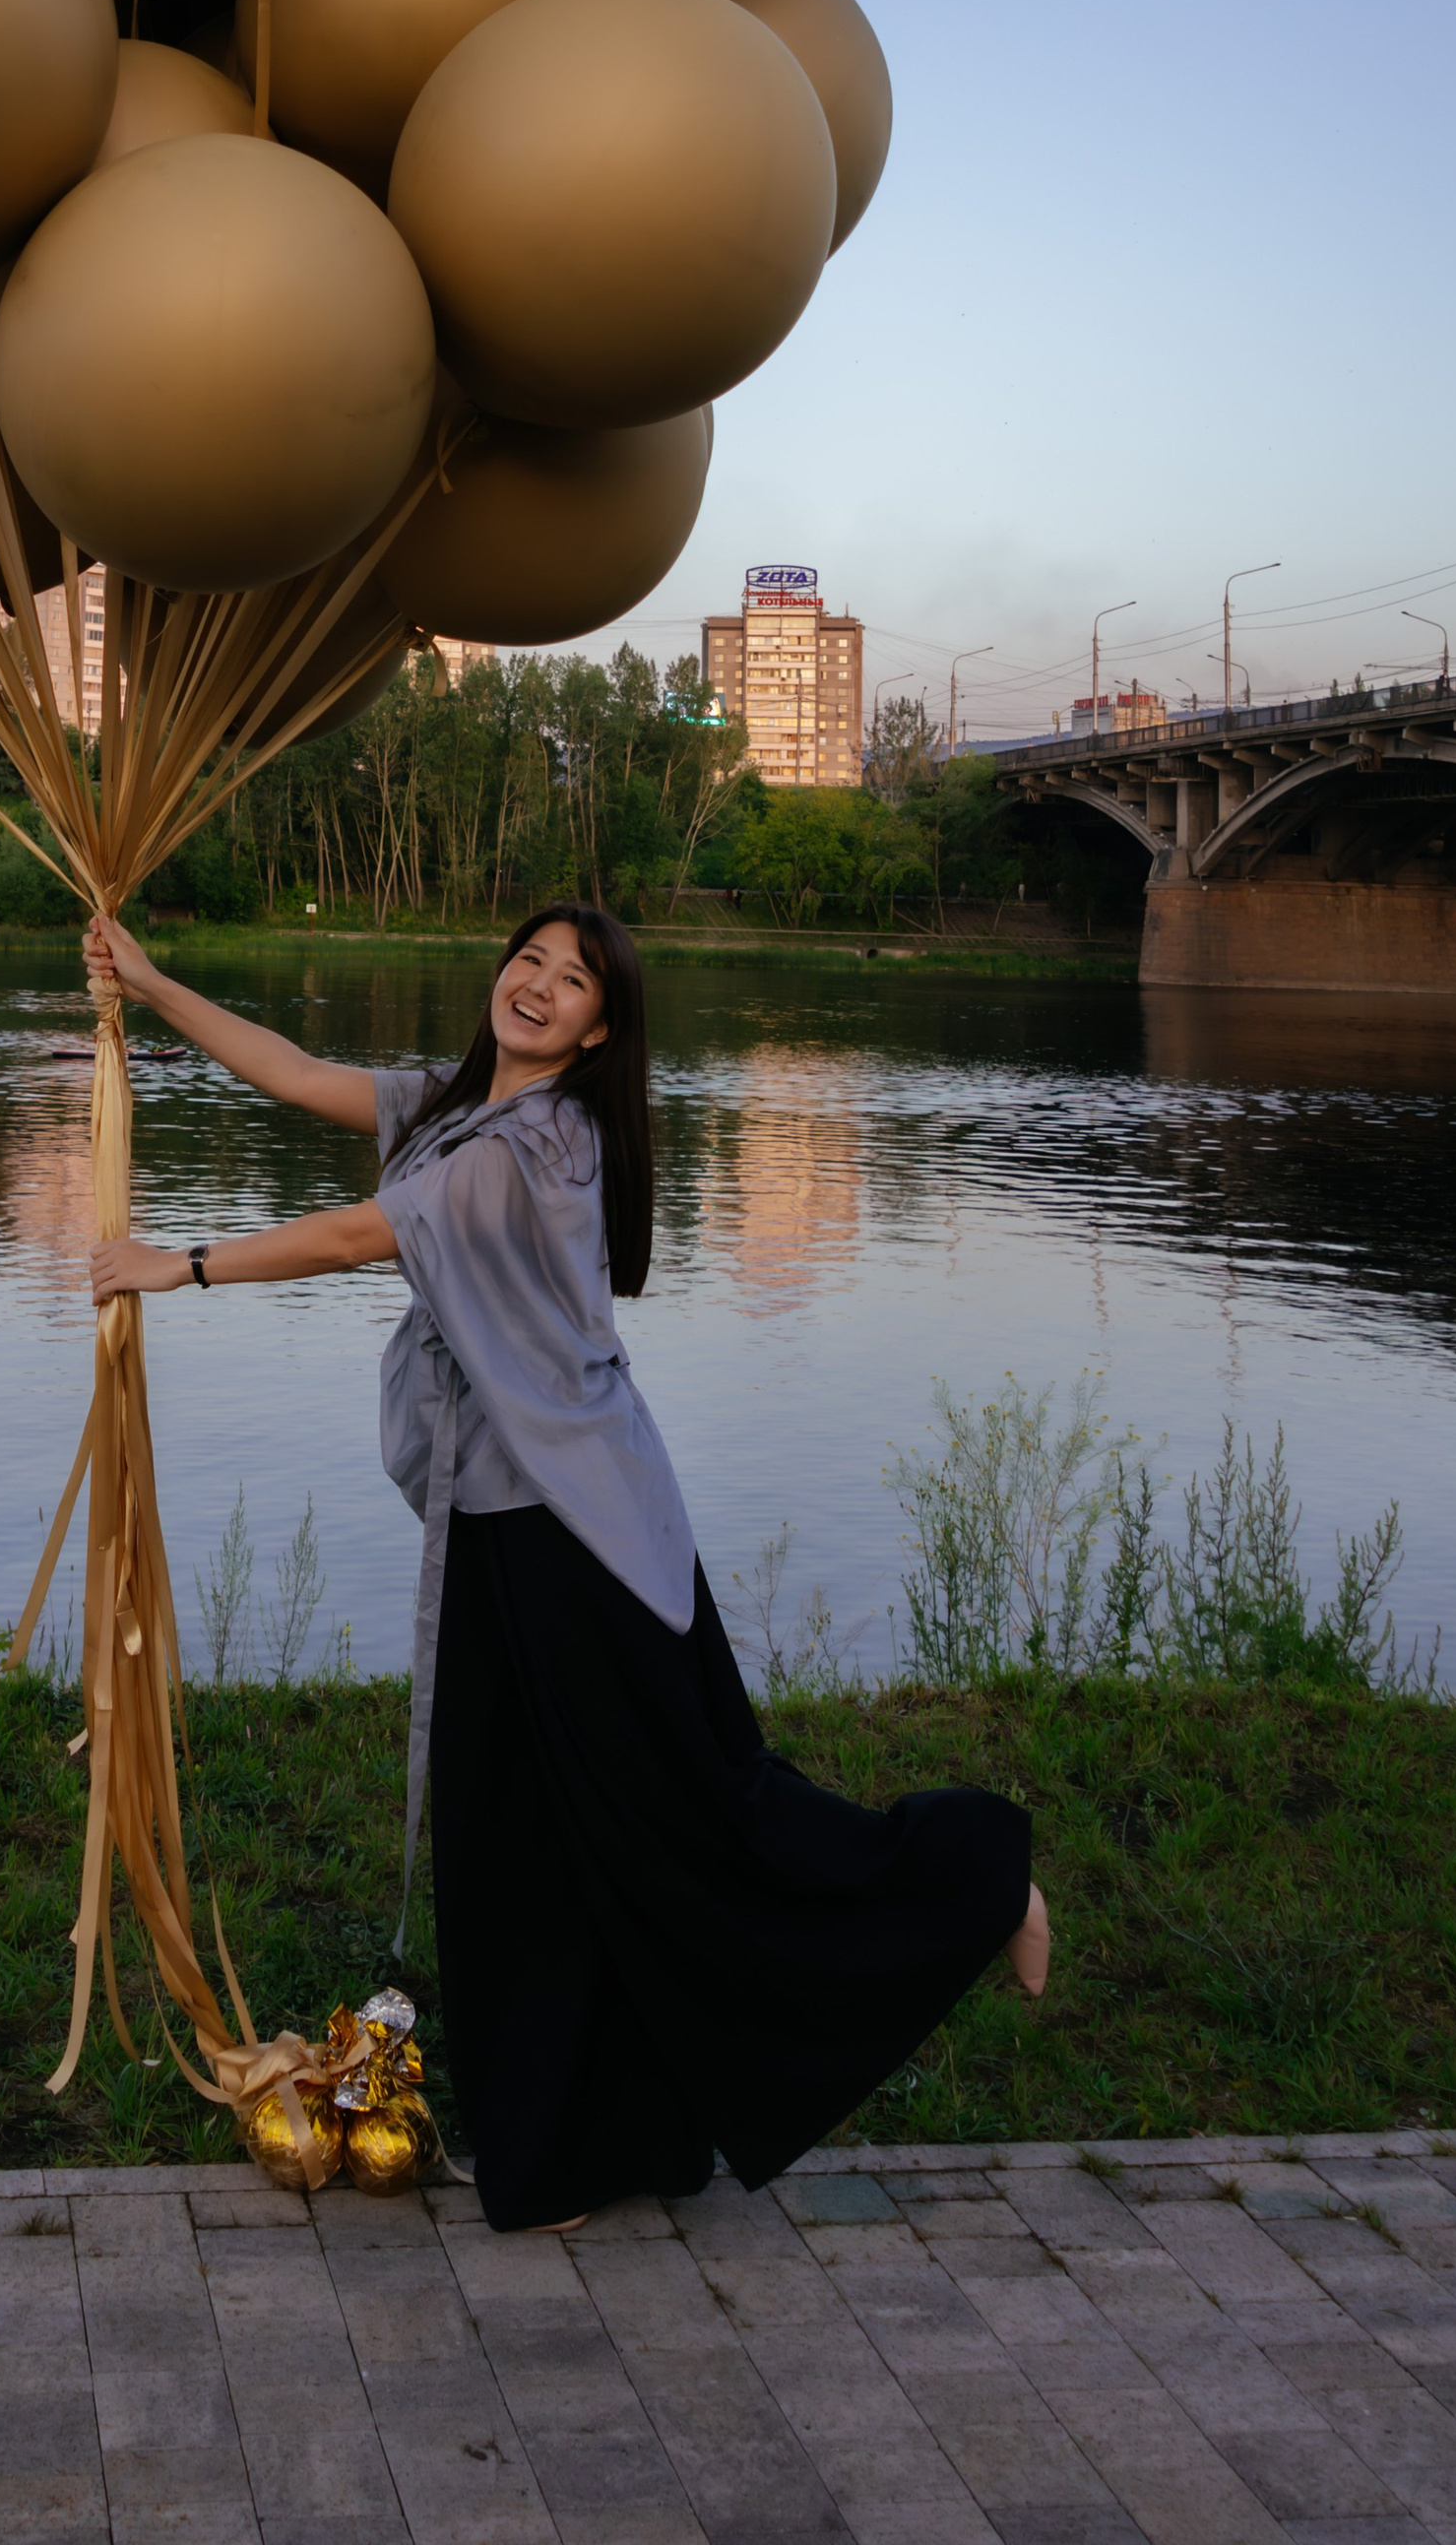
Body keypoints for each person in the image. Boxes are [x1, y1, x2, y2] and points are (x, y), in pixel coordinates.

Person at [85, 897, 1048, 2234]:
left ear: (603, 1027)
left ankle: (976, 1873)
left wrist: (172, 1266)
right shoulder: (461, 1107)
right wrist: (152, 982)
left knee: (697, 1815)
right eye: (529, 960)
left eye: (575, 979)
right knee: (518, 1839)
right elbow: (300, 1074)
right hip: (498, 1519)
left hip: (584, 1538)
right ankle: (593, 2142)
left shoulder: (542, 1141)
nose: (539, 985)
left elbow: (365, 1234)